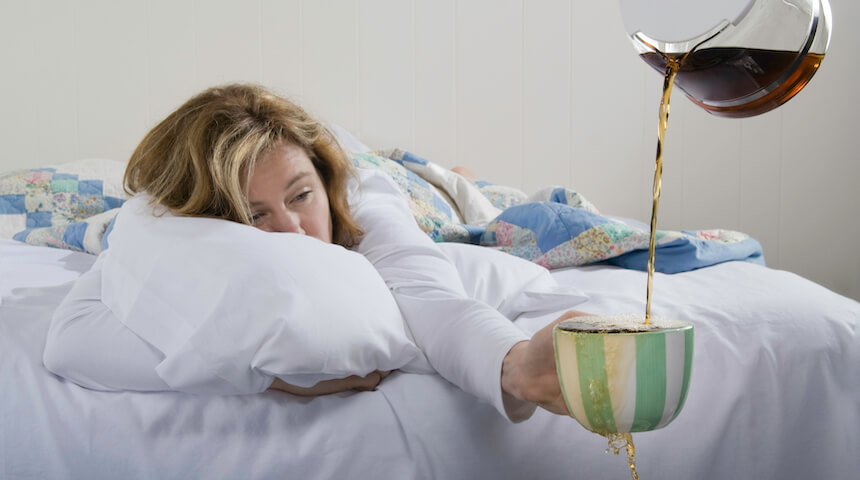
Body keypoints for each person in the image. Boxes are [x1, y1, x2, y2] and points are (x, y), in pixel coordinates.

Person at [44, 83, 586, 422]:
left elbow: (425, 294)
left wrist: (512, 365)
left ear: (323, 183)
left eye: (301, 197)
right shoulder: (169, 233)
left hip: (390, 179)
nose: (295, 232)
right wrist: (272, 373)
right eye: (255, 216)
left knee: (458, 195)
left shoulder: (359, 197)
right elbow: (70, 342)